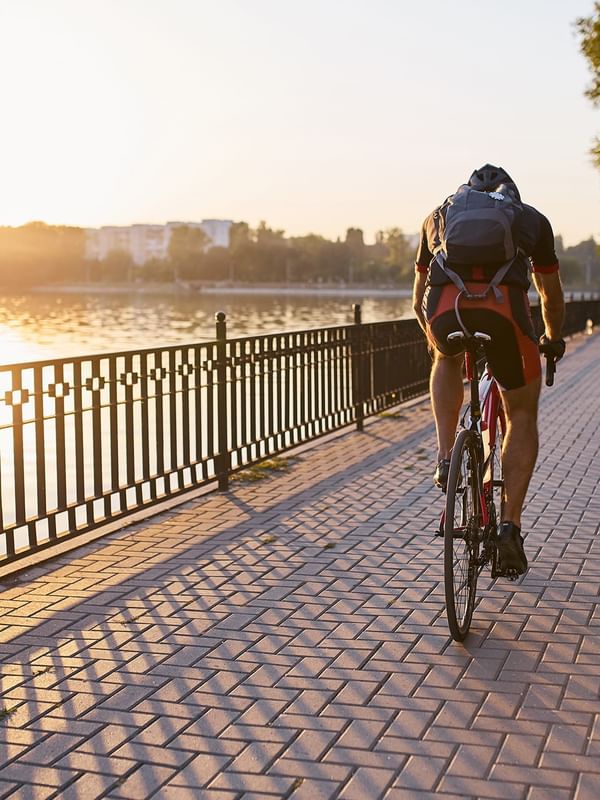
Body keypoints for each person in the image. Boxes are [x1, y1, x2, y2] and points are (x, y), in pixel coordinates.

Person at [412, 164, 566, 578]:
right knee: (521, 414)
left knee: (443, 358)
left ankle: (447, 455)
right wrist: (552, 337)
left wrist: (438, 340)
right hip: (504, 316)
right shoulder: (530, 220)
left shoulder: (437, 216)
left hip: (447, 312)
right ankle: (509, 529)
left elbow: (417, 300)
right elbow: (549, 295)